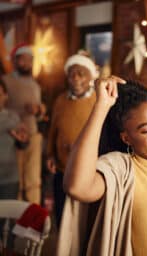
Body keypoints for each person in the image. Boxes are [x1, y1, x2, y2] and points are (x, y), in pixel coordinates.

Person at [56, 77, 147, 256]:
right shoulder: (122, 168)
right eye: (146, 130)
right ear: (126, 138)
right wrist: (102, 106)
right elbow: (77, 187)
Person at [46, 52, 98, 229]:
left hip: (89, 171)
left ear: (90, 76)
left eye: (81, 73)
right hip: (62, 167)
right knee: (62, 216)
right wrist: (50, 155)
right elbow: (53, 129)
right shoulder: (61, 100)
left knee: (84, 221)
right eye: (72, 73)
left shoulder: (98, 101)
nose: (75, 78)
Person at [2, 44, 46, 204]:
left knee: (33, 182)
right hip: (13, 138)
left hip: (33, 136)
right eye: (23, 59)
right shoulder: (6, 81)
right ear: (15, 61)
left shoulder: (35, 84)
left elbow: (39, 115)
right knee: (17, 182)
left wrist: (39, 110)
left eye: (30, 60)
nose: (27, 63)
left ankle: (33, 223)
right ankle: (16, 221)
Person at [0, 78, 29, 199]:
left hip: (9, 179)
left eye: (0, 94)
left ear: (6, 96)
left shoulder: (13, 117)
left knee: (7, 215)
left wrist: (23, 140)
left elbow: (22, 144)